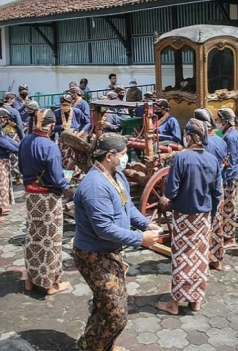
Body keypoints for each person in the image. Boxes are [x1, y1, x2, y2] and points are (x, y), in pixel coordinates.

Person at [72, 133, 160, 351]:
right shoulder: (94, 185)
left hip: (110, 252)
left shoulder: (117, 176)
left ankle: (100, 345)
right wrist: (141, 239)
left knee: (104, 307)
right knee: (116, 315)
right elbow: (104, 229)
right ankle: (93, 347)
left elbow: (127, 206)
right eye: (122, 154)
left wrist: (145, 225)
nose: (125, 158)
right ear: (110, 156)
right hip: (93, 255)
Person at [156, 118, 221, 316]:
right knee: (200, 257)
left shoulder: (181, 158)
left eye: (186, 134)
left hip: (183, 215)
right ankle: (196, 301)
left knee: (182, 257)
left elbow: (171, 190)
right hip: (203, 216)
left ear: (191, 137)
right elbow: (217, 193)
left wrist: (168, 202)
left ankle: (174, 303)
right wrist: (211, 215)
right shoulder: (213, 160)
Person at [18, 109, 73, 295]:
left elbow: (20, 167)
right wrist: (69, 187)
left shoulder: (25, 141)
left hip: (31, 198)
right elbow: (58, 180)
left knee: (33, 236)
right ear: (50, 125)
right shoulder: (50, 147)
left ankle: (30, 280)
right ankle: (50, 284)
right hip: (48, 199)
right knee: (51, 240)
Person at [194, 108, 227, 271]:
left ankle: (202, 257)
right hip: (217, 185)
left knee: (201, 223)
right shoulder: (221, 141)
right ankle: (217, 259)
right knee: (216, 222)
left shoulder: (200, 144)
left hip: (201, 187)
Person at [216, 108, 238, 248]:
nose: (218, 122)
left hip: (230, 176)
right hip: (231, 174)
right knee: (228, 206)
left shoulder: (230, 137)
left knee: (229, 208)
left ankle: (230, 237)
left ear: (225, 121)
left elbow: (229, 160)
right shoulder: (232, 134)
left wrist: (221, 174)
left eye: (219, 119)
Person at [54, 94, 91, 169]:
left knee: (76, 161)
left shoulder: (77, 112)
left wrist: (82, 131)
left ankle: (75, 177)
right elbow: (52, 127)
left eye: (67, 105)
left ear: (71, 104)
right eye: (63, 105)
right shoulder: (57, 113)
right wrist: (60, 126)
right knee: (63, 162)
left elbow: (88, 122)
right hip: (63, 142)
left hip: (76, 140)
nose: (65, 107)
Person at [2, 93, 25, 185]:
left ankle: (5, 176)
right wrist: (22, 137)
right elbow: (19, 125)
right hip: (13, 134)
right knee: (15, 156)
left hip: (2, 134)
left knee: (4, 155)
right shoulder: (13, 111)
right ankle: (18, 177)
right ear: (10, 99)